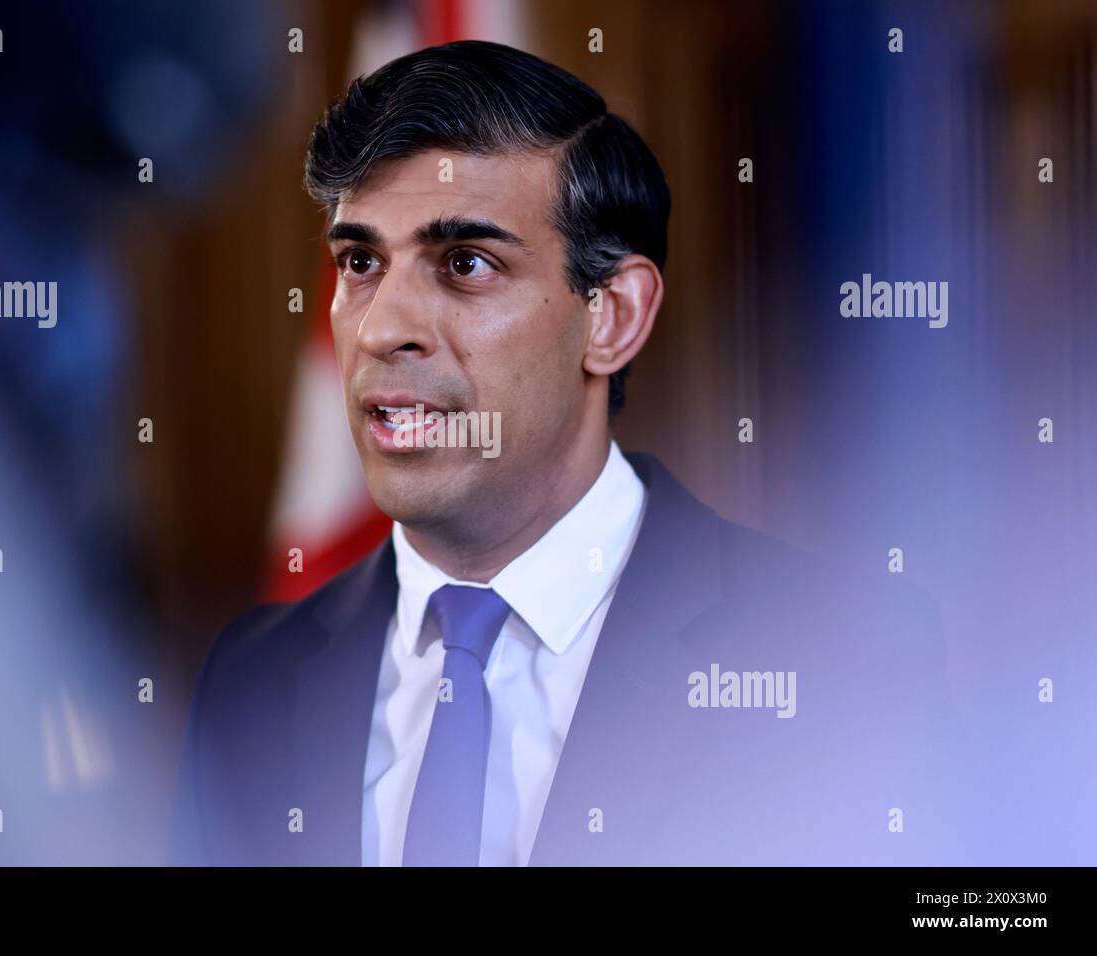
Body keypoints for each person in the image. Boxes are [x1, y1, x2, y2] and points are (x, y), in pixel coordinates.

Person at [171, 40, 958, 867]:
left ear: (611, 316)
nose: (379, 328)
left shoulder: (844, 661)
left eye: (465, 264)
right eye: (361, 262)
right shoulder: (250, 684)